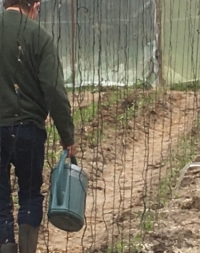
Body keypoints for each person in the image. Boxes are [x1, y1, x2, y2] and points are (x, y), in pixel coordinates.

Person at [0, 0, 77, 252]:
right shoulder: (40, 37)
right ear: (34, 5)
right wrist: (67, 136)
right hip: (29, 129)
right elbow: (54, 90)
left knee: (0, 201)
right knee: (30, 195)